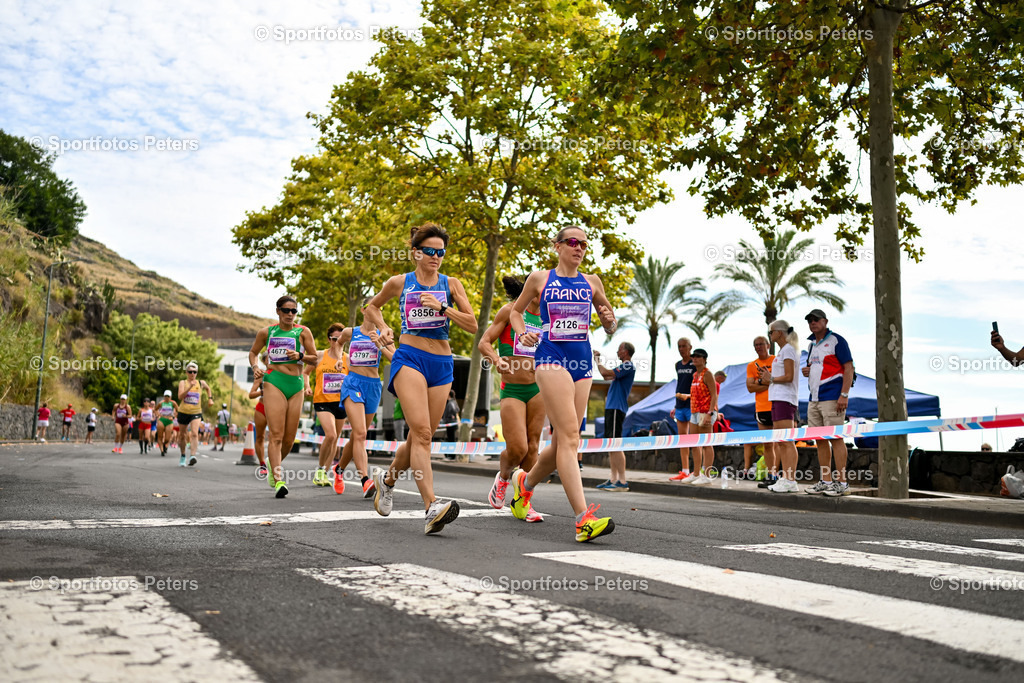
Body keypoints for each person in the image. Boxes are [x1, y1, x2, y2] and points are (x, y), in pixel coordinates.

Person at [364, 222, 477, 534]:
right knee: (425, 434)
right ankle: (431, 506)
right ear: (415, 252)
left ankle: (387, 481)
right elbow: (371, 308)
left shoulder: (451, 284)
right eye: (429, 251)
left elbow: (472, 325)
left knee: (417, 436)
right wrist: (383, 327)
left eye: (441, 252)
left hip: (442, 363)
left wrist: (443, 307)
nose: (436, 257)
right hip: (409, 358)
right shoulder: (400, 282)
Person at [508, 225, 617, 543]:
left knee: (562, 444)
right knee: (569, 436)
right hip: (550, 359)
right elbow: (516, 313)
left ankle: (523, 487)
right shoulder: (540, 279)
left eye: (584, 243)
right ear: (557, 246)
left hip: (581, 362)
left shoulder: (592, 282)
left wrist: (610, 321)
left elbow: (609, 320)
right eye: (572, 242)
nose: (579, 247)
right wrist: (522, 332)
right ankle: (584, 519)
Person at [478, 275, 546, 522]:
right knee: (518, 448)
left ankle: (524, 501)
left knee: (534, 447)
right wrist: (496, 360)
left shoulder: (548, 318)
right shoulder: (510, 311)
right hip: (512, 389)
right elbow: (484, 342)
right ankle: (503, 478)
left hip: (539, 388)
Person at [249, 296, 318, 498]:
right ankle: (279, 480)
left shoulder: (303, 332)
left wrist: (300, 356)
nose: (290, 314)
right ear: (278, 311)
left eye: (293, 311)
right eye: (286, 310)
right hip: (274, 381)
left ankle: (273, 463)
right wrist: (255, 367)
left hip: (296, 385)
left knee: (289, 440)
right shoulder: (267, 332)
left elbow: (314, 358)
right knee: (276, 435)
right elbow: (253, 353)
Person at [331, 309, 396, 497]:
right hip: (353, 383)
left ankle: (339, 470)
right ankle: (365, 480)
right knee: (360, 433)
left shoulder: (384, 333)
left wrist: (380, 344)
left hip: (374, 386)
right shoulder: (351, 332)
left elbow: (396, 359)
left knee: (357, 436)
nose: (377, 312)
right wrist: (339, 359)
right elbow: (339, 344)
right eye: (373, 308)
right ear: (363, 310)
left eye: (380, 309)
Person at [802, 309, 854, 497]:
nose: (813, 323)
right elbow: (817, 367)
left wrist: (844, 394)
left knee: (835, 438)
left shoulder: (836, 340)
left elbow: (849, 368)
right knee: (820, 440)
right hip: (813, 398)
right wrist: (808, 371)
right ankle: (825, 481)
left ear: (825, 321)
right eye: (810, 320)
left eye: (816, 319)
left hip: (832, 396)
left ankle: (842, 483)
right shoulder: (811, 345)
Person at [305, 323, 349, 488]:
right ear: (328, 339)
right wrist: (307, 387)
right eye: (333, 339)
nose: (336, 342)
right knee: (330, 435)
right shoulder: (319, 356)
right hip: (322, 401)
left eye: (340, 339)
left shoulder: (347, 359)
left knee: (335, 439)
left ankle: (324, 472)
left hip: (340, 403)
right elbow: (305, 372)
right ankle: (319, 470)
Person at [759, 321, 800, 493]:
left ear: (780, 333)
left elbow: (789, 376)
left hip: (785, 399)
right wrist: (770, 378)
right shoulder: (784, 351)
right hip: (777, 398)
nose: (769, 334)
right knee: (781, 441)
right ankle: (786, 478)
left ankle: (790, 479)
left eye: (771, 331)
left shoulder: (789, 350)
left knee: (786, 440)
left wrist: (771, 378)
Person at [594, 342, 636, 491]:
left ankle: (622, 481)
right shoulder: (623, 368)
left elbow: (605, 374)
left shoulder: (627, 366)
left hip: (617, 408)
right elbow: (607, 377)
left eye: (619, 349)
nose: (617, 352)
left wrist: (597, 360)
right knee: (612, 444)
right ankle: (614, 478)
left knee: (616, 443)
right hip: (612, 408)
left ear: (625, 352)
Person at [680, 348, 717, 486]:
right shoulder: (695, 375)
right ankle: (696, 473)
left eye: (698, 356)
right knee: (695, 443)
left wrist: (709, 413)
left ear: (705, 359)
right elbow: (697, 394)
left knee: (707, 443)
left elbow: (714, 395)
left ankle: (706, 474)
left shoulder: (708, 374)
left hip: (705, 412)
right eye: (693, 356)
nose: (695, 358)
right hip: (694, 411)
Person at [744, 336, 775, 479]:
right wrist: (766, 381)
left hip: (776, 406)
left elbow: (781, 381)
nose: (759, 347)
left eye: (761, 344)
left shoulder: (776, 360)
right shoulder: (752, 365)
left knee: (780, 443)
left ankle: (779, 475)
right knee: (767, 444)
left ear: (768, 345)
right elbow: (750, 387)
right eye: (756, 345)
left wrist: (760, 382)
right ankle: (770, 474)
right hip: (761, 408)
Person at [668, 338, 696, 481]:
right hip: (679, 406)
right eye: (679, 346)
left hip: (692, 405)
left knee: (694, 439)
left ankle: (697, 471)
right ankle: (685, 470)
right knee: (682, 439)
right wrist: (675, 405)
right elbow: (680, 384)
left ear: (690, 347)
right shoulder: (678, 365)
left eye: (684, 346)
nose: (681, 349)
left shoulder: (695, 363)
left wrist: (690, 396)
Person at [177, 362, 214, 467]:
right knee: (182, 435)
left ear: (197, 373)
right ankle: (183, 455)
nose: (192, 374)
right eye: (190, 372)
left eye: (194, 372)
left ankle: (192, 456)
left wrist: (210, 399)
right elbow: (180, 397)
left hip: (196, 412)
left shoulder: (201, 382)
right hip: (183, 411)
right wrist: (189, 388)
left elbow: (208, 388)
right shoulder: (183, 383)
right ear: (186, 372)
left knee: (194, 433)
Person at [248, 359, 268, 477]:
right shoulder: (260, 375)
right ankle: (262, 465)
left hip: (275, 409)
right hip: (261, 408)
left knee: (278, 437)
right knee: (260, 437)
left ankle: (274, 463)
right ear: (265, 361)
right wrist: (263, 392)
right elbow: (251, 394)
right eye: (268, 358)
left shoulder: (281, 374)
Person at [155, 390, 177, 456]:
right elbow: (156, 409)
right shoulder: (161, 403)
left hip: (169, 420)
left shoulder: (173, 403)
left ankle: (164, 445)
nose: (167, 397)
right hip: (162, 419)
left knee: (167, 438)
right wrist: (158, 415)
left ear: (171, 397)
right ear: (164, 396)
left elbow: (178, 411)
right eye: (166, 396)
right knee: (160, 436)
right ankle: (162, 451)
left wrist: (173, 417)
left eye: (168, 396)